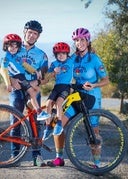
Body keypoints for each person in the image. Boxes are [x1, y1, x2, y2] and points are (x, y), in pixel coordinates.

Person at [47, 27, 110, 167]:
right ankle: (59, 158)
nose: (79, 42)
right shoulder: (72, 59)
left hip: (92, 97)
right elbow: (60, 69)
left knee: (94, 132)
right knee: (58, 123)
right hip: (76, 96)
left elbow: (106, 80)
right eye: (76, 40)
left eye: (82, 40)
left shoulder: (94, 59)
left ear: (88, 41)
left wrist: (94, 85)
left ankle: (97, 164)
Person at [0, 20, 49, 167]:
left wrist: (36, 83)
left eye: (35, 33)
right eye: (30, 32)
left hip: (32, 89)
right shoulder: (14, 47)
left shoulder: (42, 55)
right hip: (16, 90)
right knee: (15, 122)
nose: (32, 35)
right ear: (24, 32)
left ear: (38, 36)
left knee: (36, 122)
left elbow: (44, 76)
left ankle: (37, 156)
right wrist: (10, 82)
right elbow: (4, 67)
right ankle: (15, 156)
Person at [0, 33, 50, 120]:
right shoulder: (6, 57)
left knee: (35, 91)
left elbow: (25, 65)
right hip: (20, 78)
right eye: (11, 46)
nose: (13, 49)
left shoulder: (16, 56)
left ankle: (32, 105)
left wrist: (35, 71)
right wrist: (8, 83)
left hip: (22, 77)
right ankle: (38, 112)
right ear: (6, 46)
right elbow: (3, 70)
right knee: (32, 93)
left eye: (15, 47)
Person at [38, 42, 73, 141]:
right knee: (48, 103)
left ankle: (59, 124)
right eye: (59, 54)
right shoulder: (54, 64)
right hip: (56, 87)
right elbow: (46, 77)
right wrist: (54, 72)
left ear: (67, 54)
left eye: (63, 53)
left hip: (66, 87)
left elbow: (79, 54)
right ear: (56, 54)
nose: (61, 55)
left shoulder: (71, 61)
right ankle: (48, 127)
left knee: (59, 103)